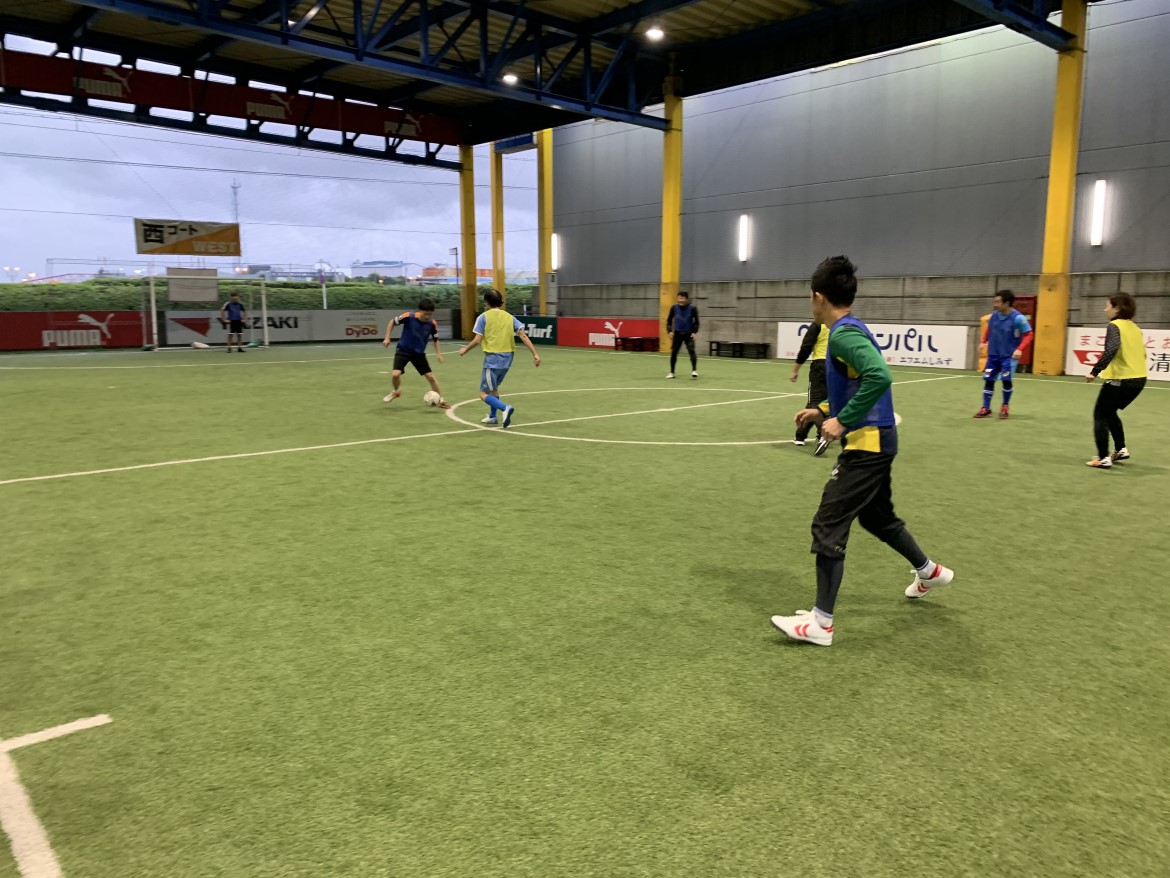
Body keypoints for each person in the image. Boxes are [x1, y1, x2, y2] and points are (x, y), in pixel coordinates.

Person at [771, 256, 954, 647]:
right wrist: (822, 410)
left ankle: (821, 623)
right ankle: (929, 571)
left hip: (867, 446)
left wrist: (842, 421)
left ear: (818, 297)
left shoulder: (841, 335)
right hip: (878, 441)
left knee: (828, 522)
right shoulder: (850, 328)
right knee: (877, 518)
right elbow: (854, 384)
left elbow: (879, 376)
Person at [458, 289, 541, 428]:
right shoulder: (509, 317)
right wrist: (535, 354)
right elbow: (523, 335)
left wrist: (465, 350)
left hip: (493, 359)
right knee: (494, 389)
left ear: (486, 302)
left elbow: (477, 340)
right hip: (508, 359)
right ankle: (492, 417)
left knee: (483, 393)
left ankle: (505, 408)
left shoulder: (483, 317)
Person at [1085, 292, 1148, 469]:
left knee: (1100, 414)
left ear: (1117, 308)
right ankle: (1120, 449)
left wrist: (1094, 371)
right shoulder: (1135, 328)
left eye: (1107, 306)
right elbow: (1143, 354)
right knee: (1110, 412)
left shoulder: (1114, 326)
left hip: (1121, 379)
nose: (1105, 309)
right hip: (1139, 380)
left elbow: (1111, 350)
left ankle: (1102, 458)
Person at [381, 298, 450, 408]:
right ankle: (396, 392)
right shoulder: (408, 316)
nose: (428, 316)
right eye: (425, 314)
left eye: (430, 314)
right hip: (403, 350)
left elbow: (436, 339)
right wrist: (387, 337)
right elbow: (392, 322)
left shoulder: (432, 323)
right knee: (395, 374)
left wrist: (439, 353)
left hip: (418, 354)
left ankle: (440, 400)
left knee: (430, 377)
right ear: (420, 311)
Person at [974, 290, 1033, 419]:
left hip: (1008, 357)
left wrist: (1020, 349)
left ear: (1007, 303)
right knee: (988, 380)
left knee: (1006, 380)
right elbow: (990, 329)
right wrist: (983, 341)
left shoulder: (1018, 318)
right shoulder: (994, 316)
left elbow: (1029, 334)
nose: (995, 304)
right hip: (993, 357)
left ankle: (1005, 407)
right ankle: (986, 407)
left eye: (998, 302)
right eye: (995, 301)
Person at [789, 322, 829, 446]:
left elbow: (806, 348)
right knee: (827, 402)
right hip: (838, 366)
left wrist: (795, 370)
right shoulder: (840, 324)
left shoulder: (818, 324)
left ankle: (823, 432)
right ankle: (802, 435)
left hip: (820, 365)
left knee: (815, 402)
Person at [665, 290, 700, 380]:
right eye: (679, 298)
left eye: (683, 298)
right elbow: (669, 320)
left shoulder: (692, 308)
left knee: (691, 350)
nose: (681, 300)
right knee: (674, 352)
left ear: (686, 299)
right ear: (677, 299)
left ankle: (694, 371)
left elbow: (696, 322)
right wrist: (669, 331)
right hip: (677, 333)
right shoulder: (674, 308)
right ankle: (672, 372)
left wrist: (694, 332)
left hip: (688, 334)